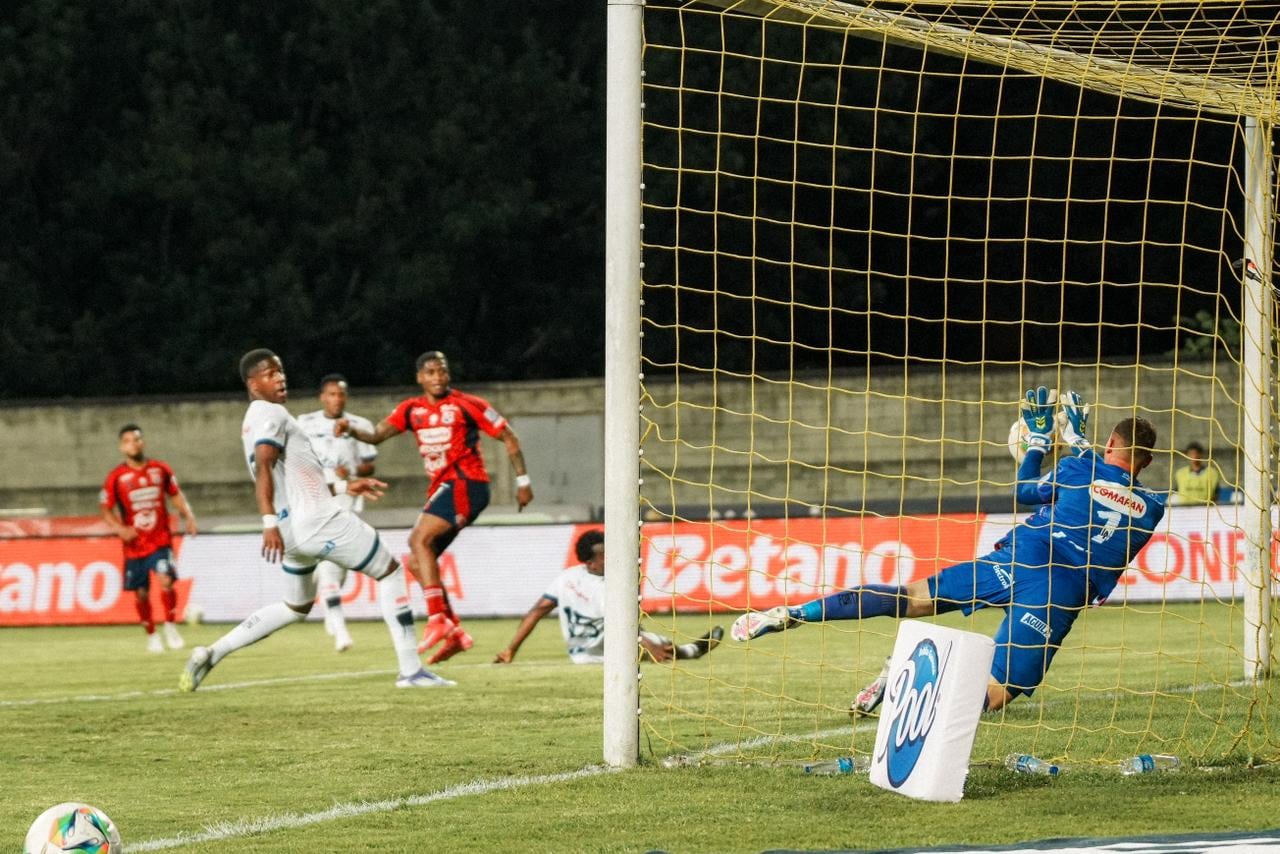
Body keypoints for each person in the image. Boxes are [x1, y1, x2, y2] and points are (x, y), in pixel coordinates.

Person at [732, 388, 1166, 713]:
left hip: (1020, 559)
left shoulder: (1075, 468)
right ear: (1147, 461)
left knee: (911, 598)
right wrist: (1079, 444)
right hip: (1060, 592)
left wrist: (1037, 448)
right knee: (997, 694)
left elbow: (1025, 491)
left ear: (1111, 444)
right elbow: (1112, 487)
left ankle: (792, 613)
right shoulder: (1154, 508)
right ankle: (908, 680)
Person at [180, 349, 449, 692]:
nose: (280, 377)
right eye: (270, 373)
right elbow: (264, 466)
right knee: (391, 572)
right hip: (318, 521)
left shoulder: (253, 418)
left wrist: (343, 484)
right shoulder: (272, 414)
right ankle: (411, 671)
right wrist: (266, 522)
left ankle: (212, 652)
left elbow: (292, 474)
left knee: (296, 606)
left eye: (280, 371)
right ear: (253, 383)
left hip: (293, 531)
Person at [337, 350, 533, 665]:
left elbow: (509, 437)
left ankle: (437, 618)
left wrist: (523, 482)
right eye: (431, 372)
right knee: (417, 562)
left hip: (468, 484)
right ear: (420, 378)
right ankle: (455, 633)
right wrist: (350, 429)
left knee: (418, 540)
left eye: (442, 371)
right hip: (444, 489)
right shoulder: (411, 410)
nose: (438, 377)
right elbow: (374, 436)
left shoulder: (467, 405)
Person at [493, 530, 724, 665]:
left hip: (579, 655)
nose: (610, 556)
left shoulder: (566, 577)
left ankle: (689, 650)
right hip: (610, 651)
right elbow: (620, 626)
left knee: (647, 637)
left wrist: (511, 649)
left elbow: (536, 612)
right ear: (591, 561)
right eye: (605, 554)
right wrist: (649, 645)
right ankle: (692, 652)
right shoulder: (605, 588)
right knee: (660, 643)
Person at [297, 373, 379, 652]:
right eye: (331, 394)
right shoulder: (305, 423)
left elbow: (370, 466)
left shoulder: (359, 426)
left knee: (337, 571)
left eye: (341, 394)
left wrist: (353, 470)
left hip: (348, 502)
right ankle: (340, 628)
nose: (336, 399)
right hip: (317, 502)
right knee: (331, 565)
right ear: (323, 396)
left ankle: (328, 600)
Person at [100, 424, 198, 653]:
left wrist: (188, 517)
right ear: (121, 446)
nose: (132, 445)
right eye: (127, 441)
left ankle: (171, 626)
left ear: (142, 442)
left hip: (160, 540)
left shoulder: (160, 469)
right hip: (134, 546)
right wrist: (120, 529)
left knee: (166, 580)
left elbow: (175, 495)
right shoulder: (116, 477)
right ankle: (152, 634)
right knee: (141, 593)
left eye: (136, 440)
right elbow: (105, 509)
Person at [1170, 441, 1222, 505]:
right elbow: (1175, 492)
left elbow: (1216, 494)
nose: (1194, 456)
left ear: (1200, 454)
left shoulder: (1212, 473)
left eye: (1196, 453)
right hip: (1184, 510)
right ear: (1187, 455)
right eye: (1191, 454)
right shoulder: (1180, 473)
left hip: (1205, 509)